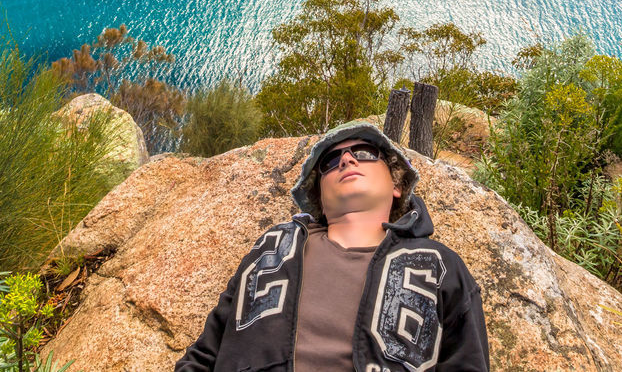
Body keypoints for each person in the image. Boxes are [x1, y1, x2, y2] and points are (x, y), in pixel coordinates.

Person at [174, 120, 490, 372]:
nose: (347, 159)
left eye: (365, 151)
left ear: (396, 185)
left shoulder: (437, 265)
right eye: (330, 161)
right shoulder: (273, 250)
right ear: (320, 199)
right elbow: (206, 353)